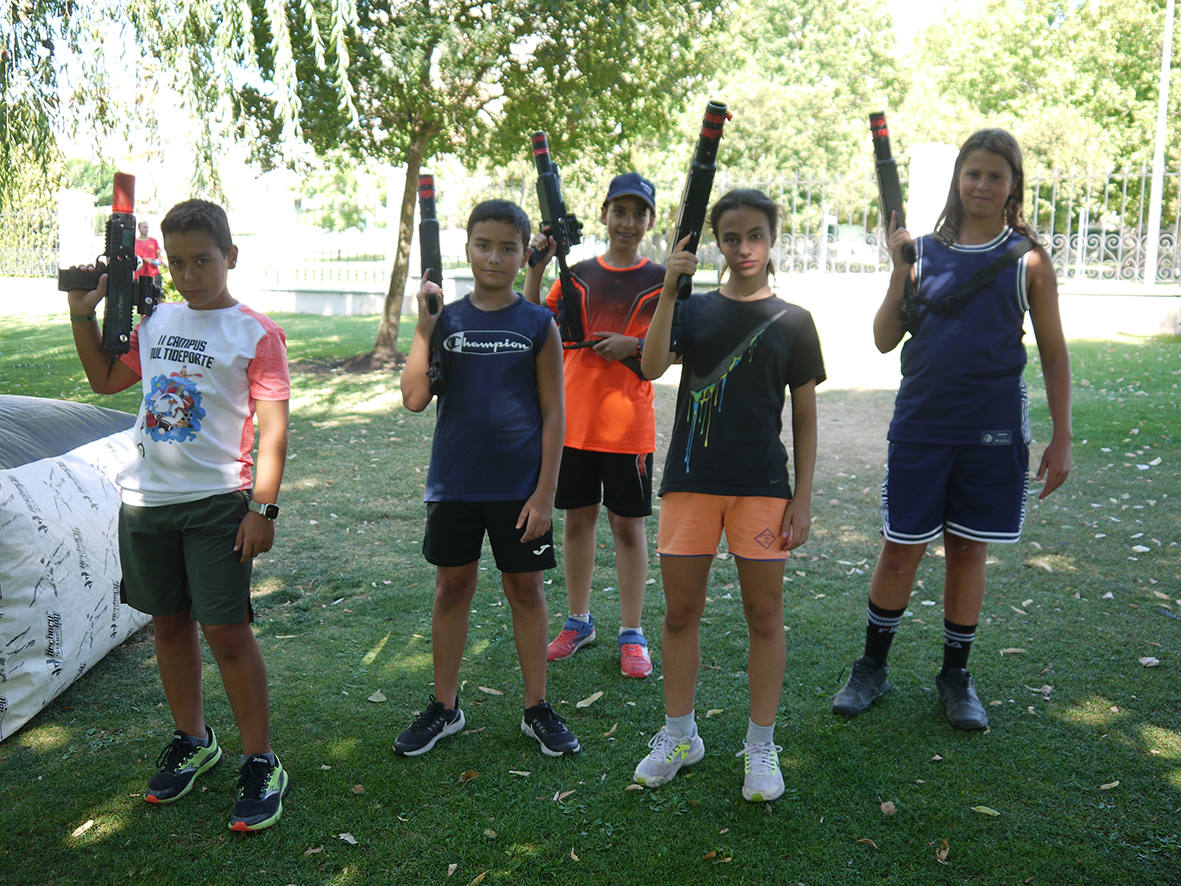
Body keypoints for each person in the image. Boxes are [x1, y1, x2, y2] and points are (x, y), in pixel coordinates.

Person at [831, 128, 1072, 730]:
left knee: (968, 550)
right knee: (900, 548)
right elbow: (884, 338)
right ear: (957, 180)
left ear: (1013, 185)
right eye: (973, 174)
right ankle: (871, 667)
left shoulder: (1029, 259)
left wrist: (1062, 436)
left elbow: (1053, 353)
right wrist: (898, 271)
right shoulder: (921, 253)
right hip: (921, 425)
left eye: (996, 175)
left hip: (992, 430)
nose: (982, 185)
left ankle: (955, 676)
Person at [64, 199, 292, 831]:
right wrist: (82, 314)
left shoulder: (256, 333)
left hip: (218, 505)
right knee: (168, 625)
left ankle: (260, 760)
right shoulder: (158, 320)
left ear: (230, 257)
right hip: (147, 503)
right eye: (178, 263)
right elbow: (105, 379)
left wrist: (262, 508)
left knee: (226, 631)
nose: (189, 276)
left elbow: (273, 430)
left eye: (203, 261)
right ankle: (193, 739)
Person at [631, 189, 824, 803]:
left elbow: (806, 417)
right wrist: (668, 290)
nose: (744, 248)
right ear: (716, 242)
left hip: (762, 488)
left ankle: (760, 744)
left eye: (755, 236)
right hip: (690, 485)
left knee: (764, 617)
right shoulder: (695, 309)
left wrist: (803, 498)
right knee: (679, 614)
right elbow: (650, 366)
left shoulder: (795, 320)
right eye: (731, 238)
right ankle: (680, 735)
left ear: (772, 239)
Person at [396, 199, 581, 758]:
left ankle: (536, 707)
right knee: (452, 588)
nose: (494, 257)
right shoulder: (446, 318)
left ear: (524, 254)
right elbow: (413, 398)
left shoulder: (537, 322)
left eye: (507, 248)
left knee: (526, 589)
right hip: (455, 485)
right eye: (483, 245)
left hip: (520, 491)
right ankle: (444, 707)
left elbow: (554, 412)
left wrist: (545, 493)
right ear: (468, 249)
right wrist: (424, 326)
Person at [524, 172, 665, 679]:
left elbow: (671, 351)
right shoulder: (577, 273)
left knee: (628, 528)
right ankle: (579, 621)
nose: (628, 222)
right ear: (604, 214)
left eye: (638, 214)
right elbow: (534, 321)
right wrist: (537, 268)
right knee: (578, 522)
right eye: (619, 211)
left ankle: (632, 632)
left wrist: (633, 346)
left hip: (628, 430)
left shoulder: (662, 280)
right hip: (574, 425)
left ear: (650, 220)